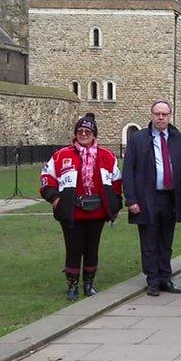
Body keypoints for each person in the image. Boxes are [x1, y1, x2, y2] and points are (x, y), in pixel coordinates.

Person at [41, 113, 122, 300]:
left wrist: (115, 204)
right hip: (72, 212)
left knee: (92, 248)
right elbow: (47, 178)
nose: (84, 134)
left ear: (94, 135)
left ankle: (89, 284)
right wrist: (55, 199)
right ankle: (72, 285)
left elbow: (117, 182)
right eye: (80, 131)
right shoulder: (62, 155)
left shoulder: (107, 156)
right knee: (74, 248)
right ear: (75, 134)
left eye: (88, 131)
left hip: (97, 212)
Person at [122, 100, 181, 296]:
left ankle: (166, 278)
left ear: (169, 116)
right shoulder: (138, 139)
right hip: (146, 197)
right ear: (151, 115)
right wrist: (131, 199)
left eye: (164, 114)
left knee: (166, 240)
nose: (161, 118)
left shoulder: (179, 139)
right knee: (149, 241)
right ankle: (153, 280)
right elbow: (128, 171)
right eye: (157, 114)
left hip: (170, 197)